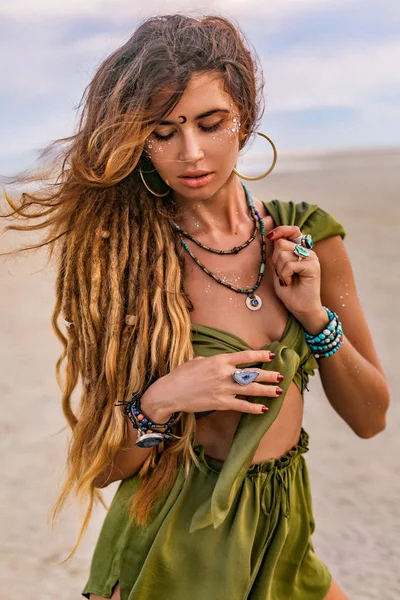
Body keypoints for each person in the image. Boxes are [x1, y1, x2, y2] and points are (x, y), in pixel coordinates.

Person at [1, 13, 389, 600]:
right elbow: (104, 466)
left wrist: (315, 318)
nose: (191, 153)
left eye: (211, 124)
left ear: (245, 117)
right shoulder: (131, 261)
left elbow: (371, 419)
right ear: (139, 140)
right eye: (163, 132)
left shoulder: (308, 238)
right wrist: (163, 399)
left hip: (282, 536)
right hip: (173, 550)